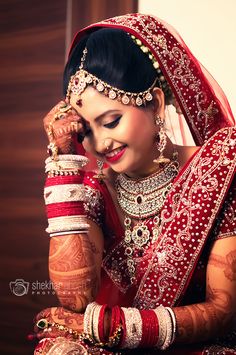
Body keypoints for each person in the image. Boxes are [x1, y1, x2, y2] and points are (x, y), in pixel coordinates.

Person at [33, 13, 236, 355]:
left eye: (111, 121)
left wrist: (109, 327)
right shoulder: (99, 189)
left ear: (155, 103)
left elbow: (222, 312)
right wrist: (61, 161)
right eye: (87, 131)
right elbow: (76, 299)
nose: (100, 144)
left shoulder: (219, 166)